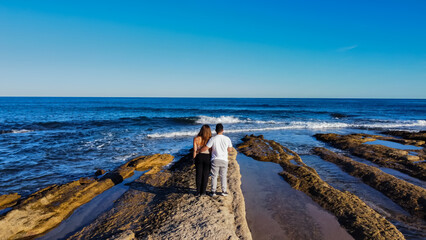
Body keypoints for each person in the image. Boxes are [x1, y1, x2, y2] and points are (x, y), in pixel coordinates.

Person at [201, 123, 233, 197]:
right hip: (224, 160)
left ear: (215, 130)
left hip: (215, 159)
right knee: (223, 176)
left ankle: (213, 192)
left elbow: (206, 147)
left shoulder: (213, 139)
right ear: (223, 130)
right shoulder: (227, 139)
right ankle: (224, 191)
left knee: (214, 176)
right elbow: (230, 150)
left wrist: (198, 151)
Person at [193, 124, 212, 196]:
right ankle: (203, 192)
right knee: (205, 174)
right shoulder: (210, 139)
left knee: (198, 174)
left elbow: (195, 151)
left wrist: (194, 159)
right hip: (207, 157)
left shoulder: (196, 138)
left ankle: (198, 192)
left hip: (199, 157)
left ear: (201, 130)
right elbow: (211, 150)